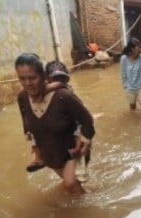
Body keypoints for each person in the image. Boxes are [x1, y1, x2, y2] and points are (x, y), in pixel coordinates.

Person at [15, 53, 95, 196]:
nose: (27, 83)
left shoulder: (63, 96)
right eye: (22, 79)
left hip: (72, 149)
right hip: (50, 152)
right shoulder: (22, 98)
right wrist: (35, 147)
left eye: (32, 78)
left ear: (44, 76)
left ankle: (87, 210)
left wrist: (86, 141)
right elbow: (26, 123)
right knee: (69, 182)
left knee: (71, 183)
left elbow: (87, 120)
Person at [26, 60, 85, 172]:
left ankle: (77, 149)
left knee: (78, 128)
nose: (58, 81)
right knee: (32, 133)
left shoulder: (66, 90)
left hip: (70, 121)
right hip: (52, 129)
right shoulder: (41, 91)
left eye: (61, 79)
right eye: (55, 79)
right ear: (47, 79)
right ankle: (39, 158)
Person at [120, 37, 141, 113]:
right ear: (132, 49)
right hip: (130, 88)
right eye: (138, 47)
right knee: (132, 109)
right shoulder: (124, 59)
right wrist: (125, 86)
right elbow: (123, 74)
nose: (140, 49)